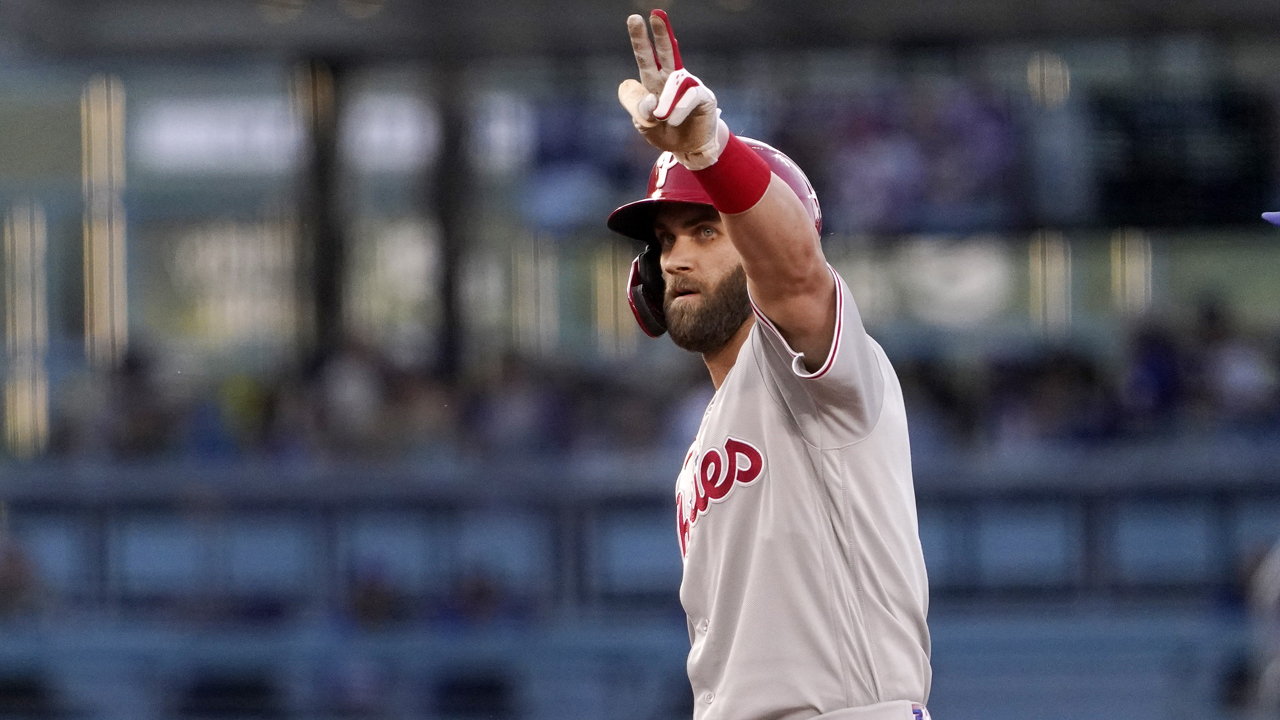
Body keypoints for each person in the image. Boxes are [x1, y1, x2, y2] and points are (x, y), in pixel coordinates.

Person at [607, 10, 931, 720]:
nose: (677, 258)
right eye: (663, 243)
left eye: (704, 230)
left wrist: (709, 151)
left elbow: (795, 277)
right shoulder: (702, 441)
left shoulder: (821, 373)